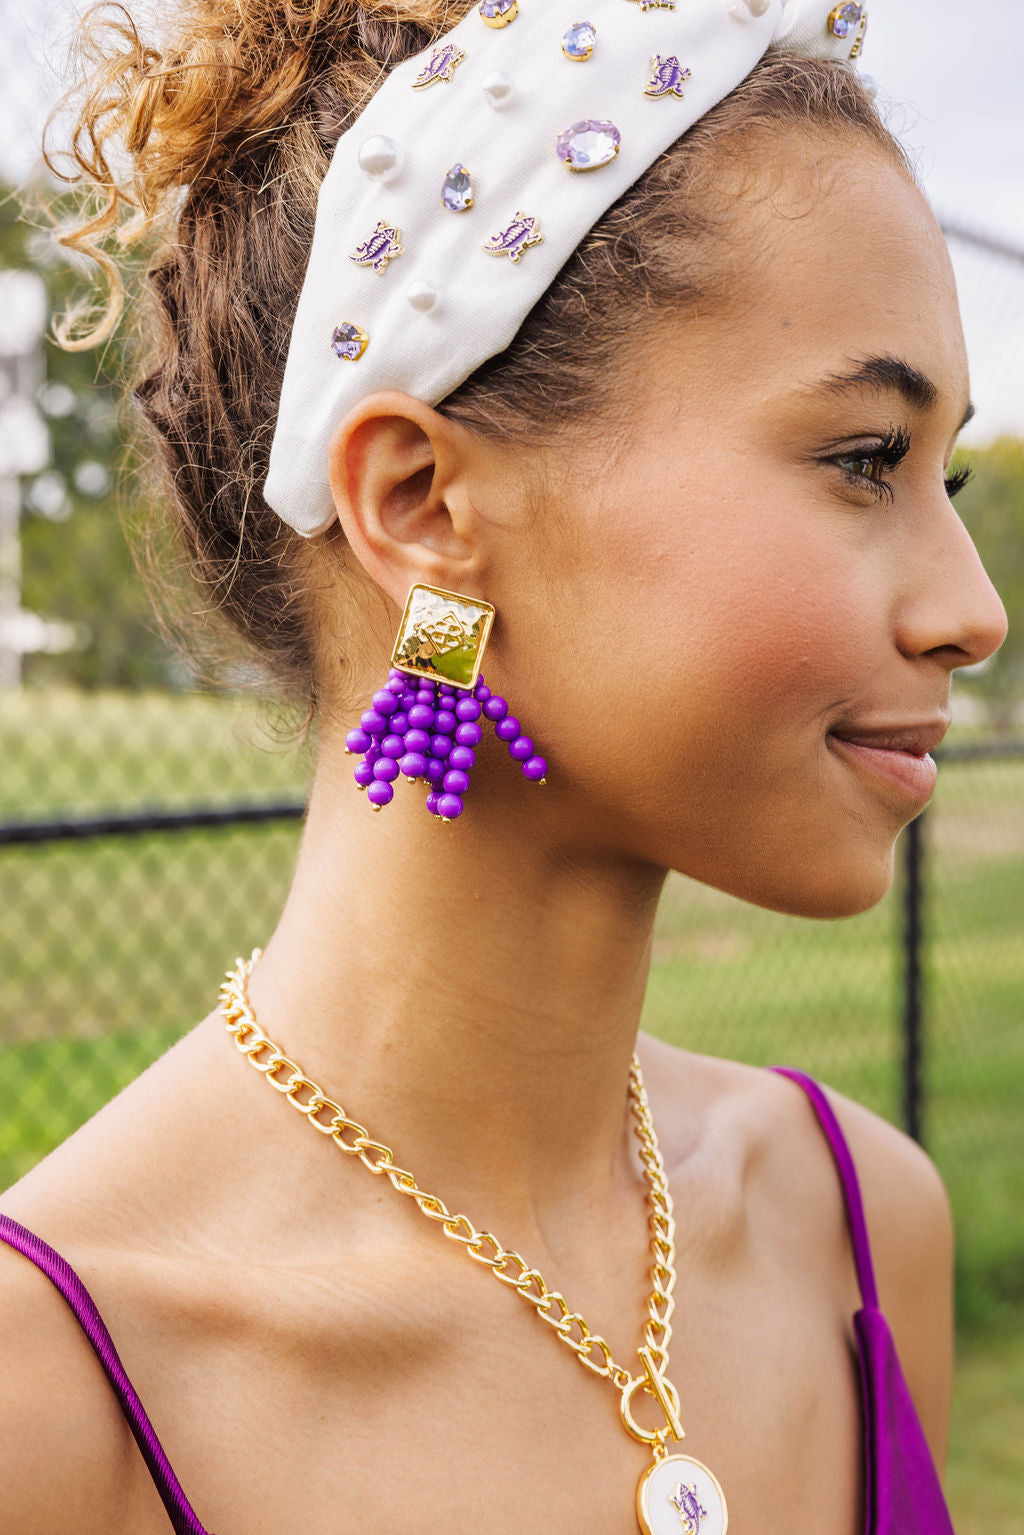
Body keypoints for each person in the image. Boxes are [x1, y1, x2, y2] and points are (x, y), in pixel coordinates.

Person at [0, 1, 1007, 1532]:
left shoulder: (860, 1228)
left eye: (952, 476)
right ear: (420, 506)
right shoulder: (59, 1396)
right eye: (865, 457)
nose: (972, 611)